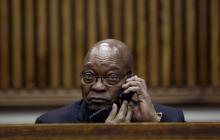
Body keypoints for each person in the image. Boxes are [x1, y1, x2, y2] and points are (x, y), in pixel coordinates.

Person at [36, 39, 185, 123]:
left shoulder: (171, 119)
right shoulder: (50, 123)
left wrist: (152, 126)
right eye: (89, 75)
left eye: (112, 77)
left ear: (130, 81)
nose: (98, 86)